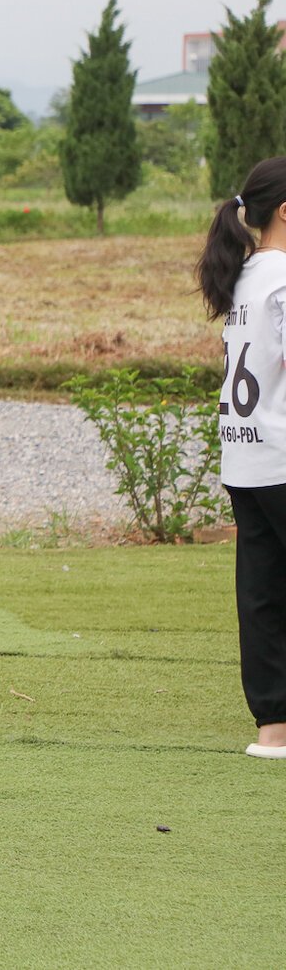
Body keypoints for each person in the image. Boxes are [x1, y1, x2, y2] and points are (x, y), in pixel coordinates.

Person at [199, 155, 286, 761]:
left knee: (262, 595)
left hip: (245, 459)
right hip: (282, 457)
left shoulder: (246, 276)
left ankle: (273, 732)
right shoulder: (282, 281)